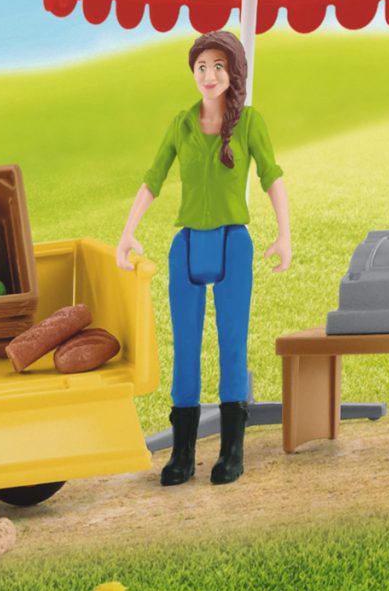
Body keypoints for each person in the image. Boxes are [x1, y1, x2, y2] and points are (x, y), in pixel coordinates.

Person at [115, 30, 292, 487]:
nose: (209, 75)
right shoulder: (182, 124)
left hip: (234, 244)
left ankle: (232, 450)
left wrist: (284, 234)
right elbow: (153, 178)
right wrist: (128, 232)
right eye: (201, 67)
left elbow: (272, 177)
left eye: (218, 66)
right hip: (188, 246)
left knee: (232, 344)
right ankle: (183, 452)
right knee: (185, 349)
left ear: (234, 72)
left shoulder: (250, 123)